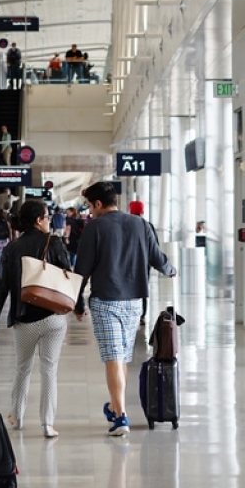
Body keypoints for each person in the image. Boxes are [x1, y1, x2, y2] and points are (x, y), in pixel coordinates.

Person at [73, 182, 176, 435]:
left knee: (114, 358)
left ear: (98, 204)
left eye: (90, 206)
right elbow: (157, 256)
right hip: (134, 302)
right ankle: (114, 406)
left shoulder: (94, 227)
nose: (90, 211)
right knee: (121, 359)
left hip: (105, 301)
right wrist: (171, 269)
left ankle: (120, 417)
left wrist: (78, 302)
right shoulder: (141, 224)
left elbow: (82, 270)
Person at [0, 199, 71, 438]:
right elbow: (68, 275)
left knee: (22, 369)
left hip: (23, 320)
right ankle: (47, 424)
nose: (49, 221)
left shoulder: (12, 248)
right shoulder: (54, 242)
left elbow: (1, 287)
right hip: (52, 318)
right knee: (49, 370)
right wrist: (78, 306)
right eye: (47, 217)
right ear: (39, 220)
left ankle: (17, 416)